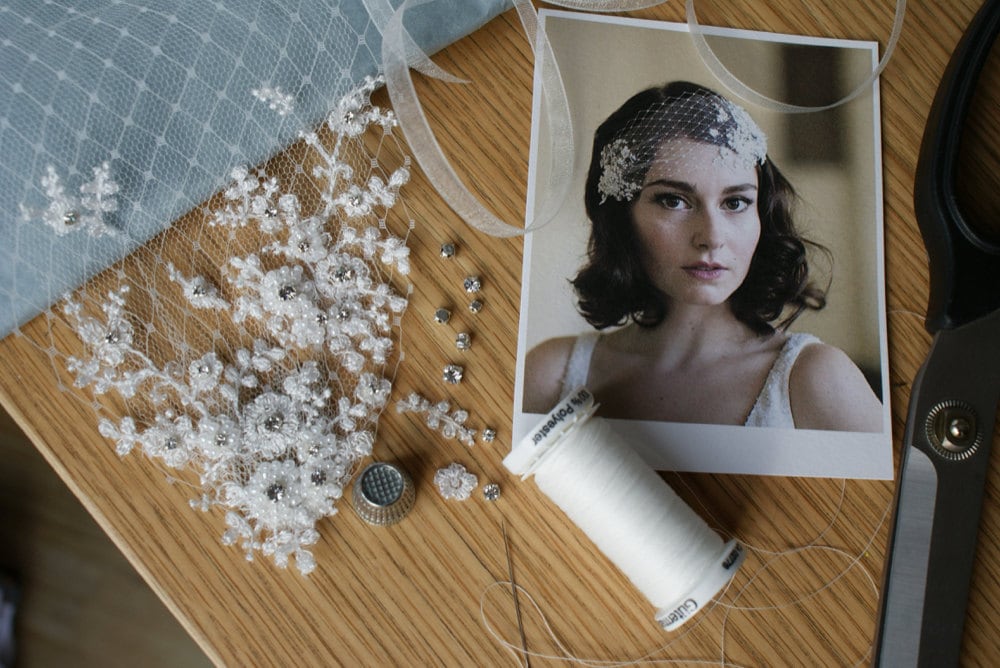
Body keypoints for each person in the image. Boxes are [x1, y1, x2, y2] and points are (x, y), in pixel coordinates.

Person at [523, 81, 883, 432]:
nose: (711, 237)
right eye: (673, 201)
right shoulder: (552, 375)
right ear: (620, 216)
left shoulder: (815, 379)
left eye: (735, 202)